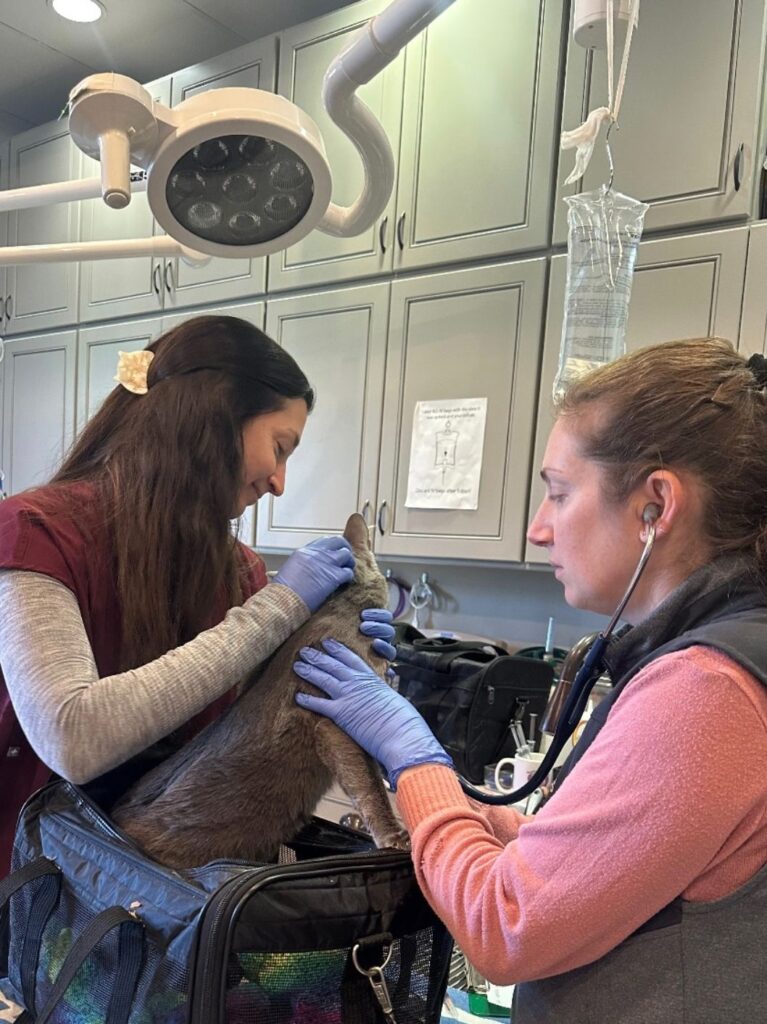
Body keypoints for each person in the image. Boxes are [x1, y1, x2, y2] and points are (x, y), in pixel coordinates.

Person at [293, 337, 767, 1023]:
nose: (538, 529)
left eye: (559, 492)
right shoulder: (730, 655)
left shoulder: (706, 692)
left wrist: (415, 760)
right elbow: (610, 862)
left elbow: (505, 923)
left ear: (656, 505)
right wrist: (460, 811)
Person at [0, 314, 395, 879]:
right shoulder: (36, 535)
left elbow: (259, 738)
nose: (279, 482)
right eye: (279, 447)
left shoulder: (239, 573)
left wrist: (353, 664)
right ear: (214, 417)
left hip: (158, 898)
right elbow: (73, 736)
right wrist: (280, 607)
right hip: (29, 891)